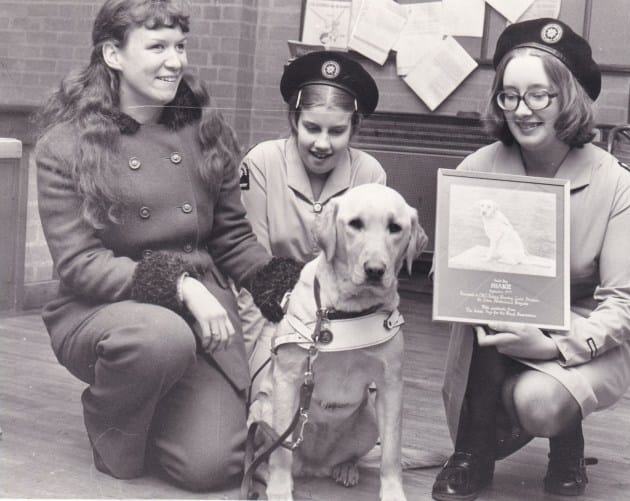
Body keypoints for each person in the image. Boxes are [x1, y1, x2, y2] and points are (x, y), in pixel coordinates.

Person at [33, 0, 301, 491]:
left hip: (204, 320)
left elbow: (231, 237)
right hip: (107, 311)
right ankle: (111, 416)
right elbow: (80, 264)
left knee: (211, 468)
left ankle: (157, 402)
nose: (174, 60)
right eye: (156, 46)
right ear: (113, 54)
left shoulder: (205, 132)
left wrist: (285, 289)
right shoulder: (63, 146)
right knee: (161, 338)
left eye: (180, 46)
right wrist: (180, 286)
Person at [432, 18, 630, 500]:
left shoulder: (616, 183)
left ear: (567, 97)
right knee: (491, 322)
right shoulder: (477, 168)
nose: (521, 110)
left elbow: (628, 307)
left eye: (538, 95)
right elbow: (450, 271)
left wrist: (554, 343)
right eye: (509, 95)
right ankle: (473, 449)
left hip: (587, 332)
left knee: (538, 404)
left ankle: (563, 443)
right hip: (494, 332)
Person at [235, 50, 386, 401]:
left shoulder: (369, 174)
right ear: (294, 120)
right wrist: (245, 373)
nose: (322, 143)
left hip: (341, 319)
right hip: (272, 314)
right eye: (311, 128)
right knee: (268, 402)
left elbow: (365, 280)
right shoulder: (262, 162)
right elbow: (251, 271)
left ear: (354, 127)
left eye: (337, 131)